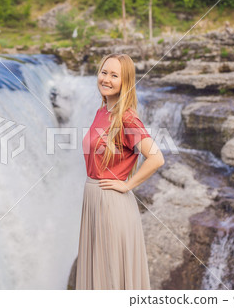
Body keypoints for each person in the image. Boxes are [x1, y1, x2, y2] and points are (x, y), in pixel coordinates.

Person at [75, 53, 165, 290]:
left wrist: (127, 185)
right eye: (104, 72)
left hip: (111, 203)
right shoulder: (102, 111)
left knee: (111, 279)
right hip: (94, 200)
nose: (106, 79)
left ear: (125, 82)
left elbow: (156, 157)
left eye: (114, 75)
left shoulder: (127, 118)